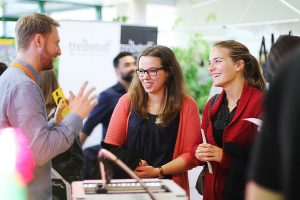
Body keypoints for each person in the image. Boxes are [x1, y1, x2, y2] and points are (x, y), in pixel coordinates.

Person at [0, 13, 97, 200]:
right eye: (56, 43)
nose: (59, 51)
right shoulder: (24, 86)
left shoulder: (8, 79)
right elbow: (39, 152)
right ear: (39, 40)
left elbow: (25, 144)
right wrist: (75, 117)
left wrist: (54, 123)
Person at [104, 45, 201, 197]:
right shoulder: (127, 101)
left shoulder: (187, 105)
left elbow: (191, 155)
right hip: (129, 187)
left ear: (169, 72)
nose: (145, 76)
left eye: (152, 71)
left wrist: (158, 171)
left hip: (168, 189)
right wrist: (134, 162)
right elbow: (110, 147)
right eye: (141, 71)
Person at [195, 40, 265, 200]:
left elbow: (268, 161)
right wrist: (199, 152)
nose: (210, 68)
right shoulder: (212, 104)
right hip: (211, 193)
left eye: (217, 61)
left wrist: (223, 156)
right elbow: (199, 146)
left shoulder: (261, 105)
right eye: (209, 62)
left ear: (238, 65)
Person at [246, 42, 300, 199]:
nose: (211, 68)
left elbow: (264, 187)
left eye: (217, 61)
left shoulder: (292, 71)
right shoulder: (291, 72)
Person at [79, 52, 136, 179]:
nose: (133, 68)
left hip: (137, 154)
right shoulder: (107, 96)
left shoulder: (143, 94)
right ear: (117, 70)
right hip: (114, 155)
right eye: (127, 65)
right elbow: (88, 127)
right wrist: (75, 156)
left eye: (134, 64)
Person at [38, 70, 85, 183]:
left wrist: (53, 170)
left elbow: (77, 159)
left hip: (62, 185)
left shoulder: (63, 112)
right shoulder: (34, 113)